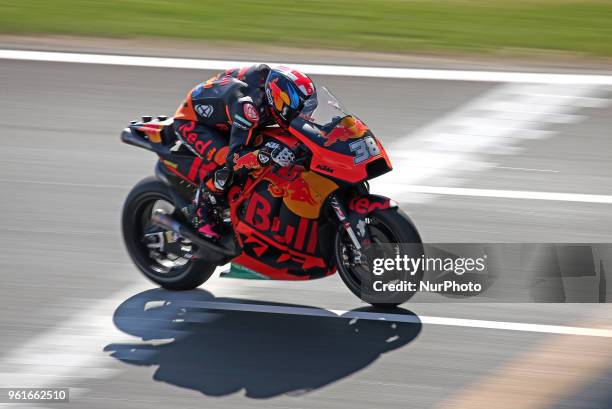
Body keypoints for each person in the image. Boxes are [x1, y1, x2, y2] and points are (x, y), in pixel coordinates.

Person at [173, 65, 317, 240]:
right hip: (194, 122)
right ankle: (201, 210)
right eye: (300, 109)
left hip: (228, 115)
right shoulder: (248, 107)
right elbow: (235, 159)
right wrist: (265, 155)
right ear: (279, 99)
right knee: (226, 162)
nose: (304, 115)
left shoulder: (273, 83)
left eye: (307, 110)